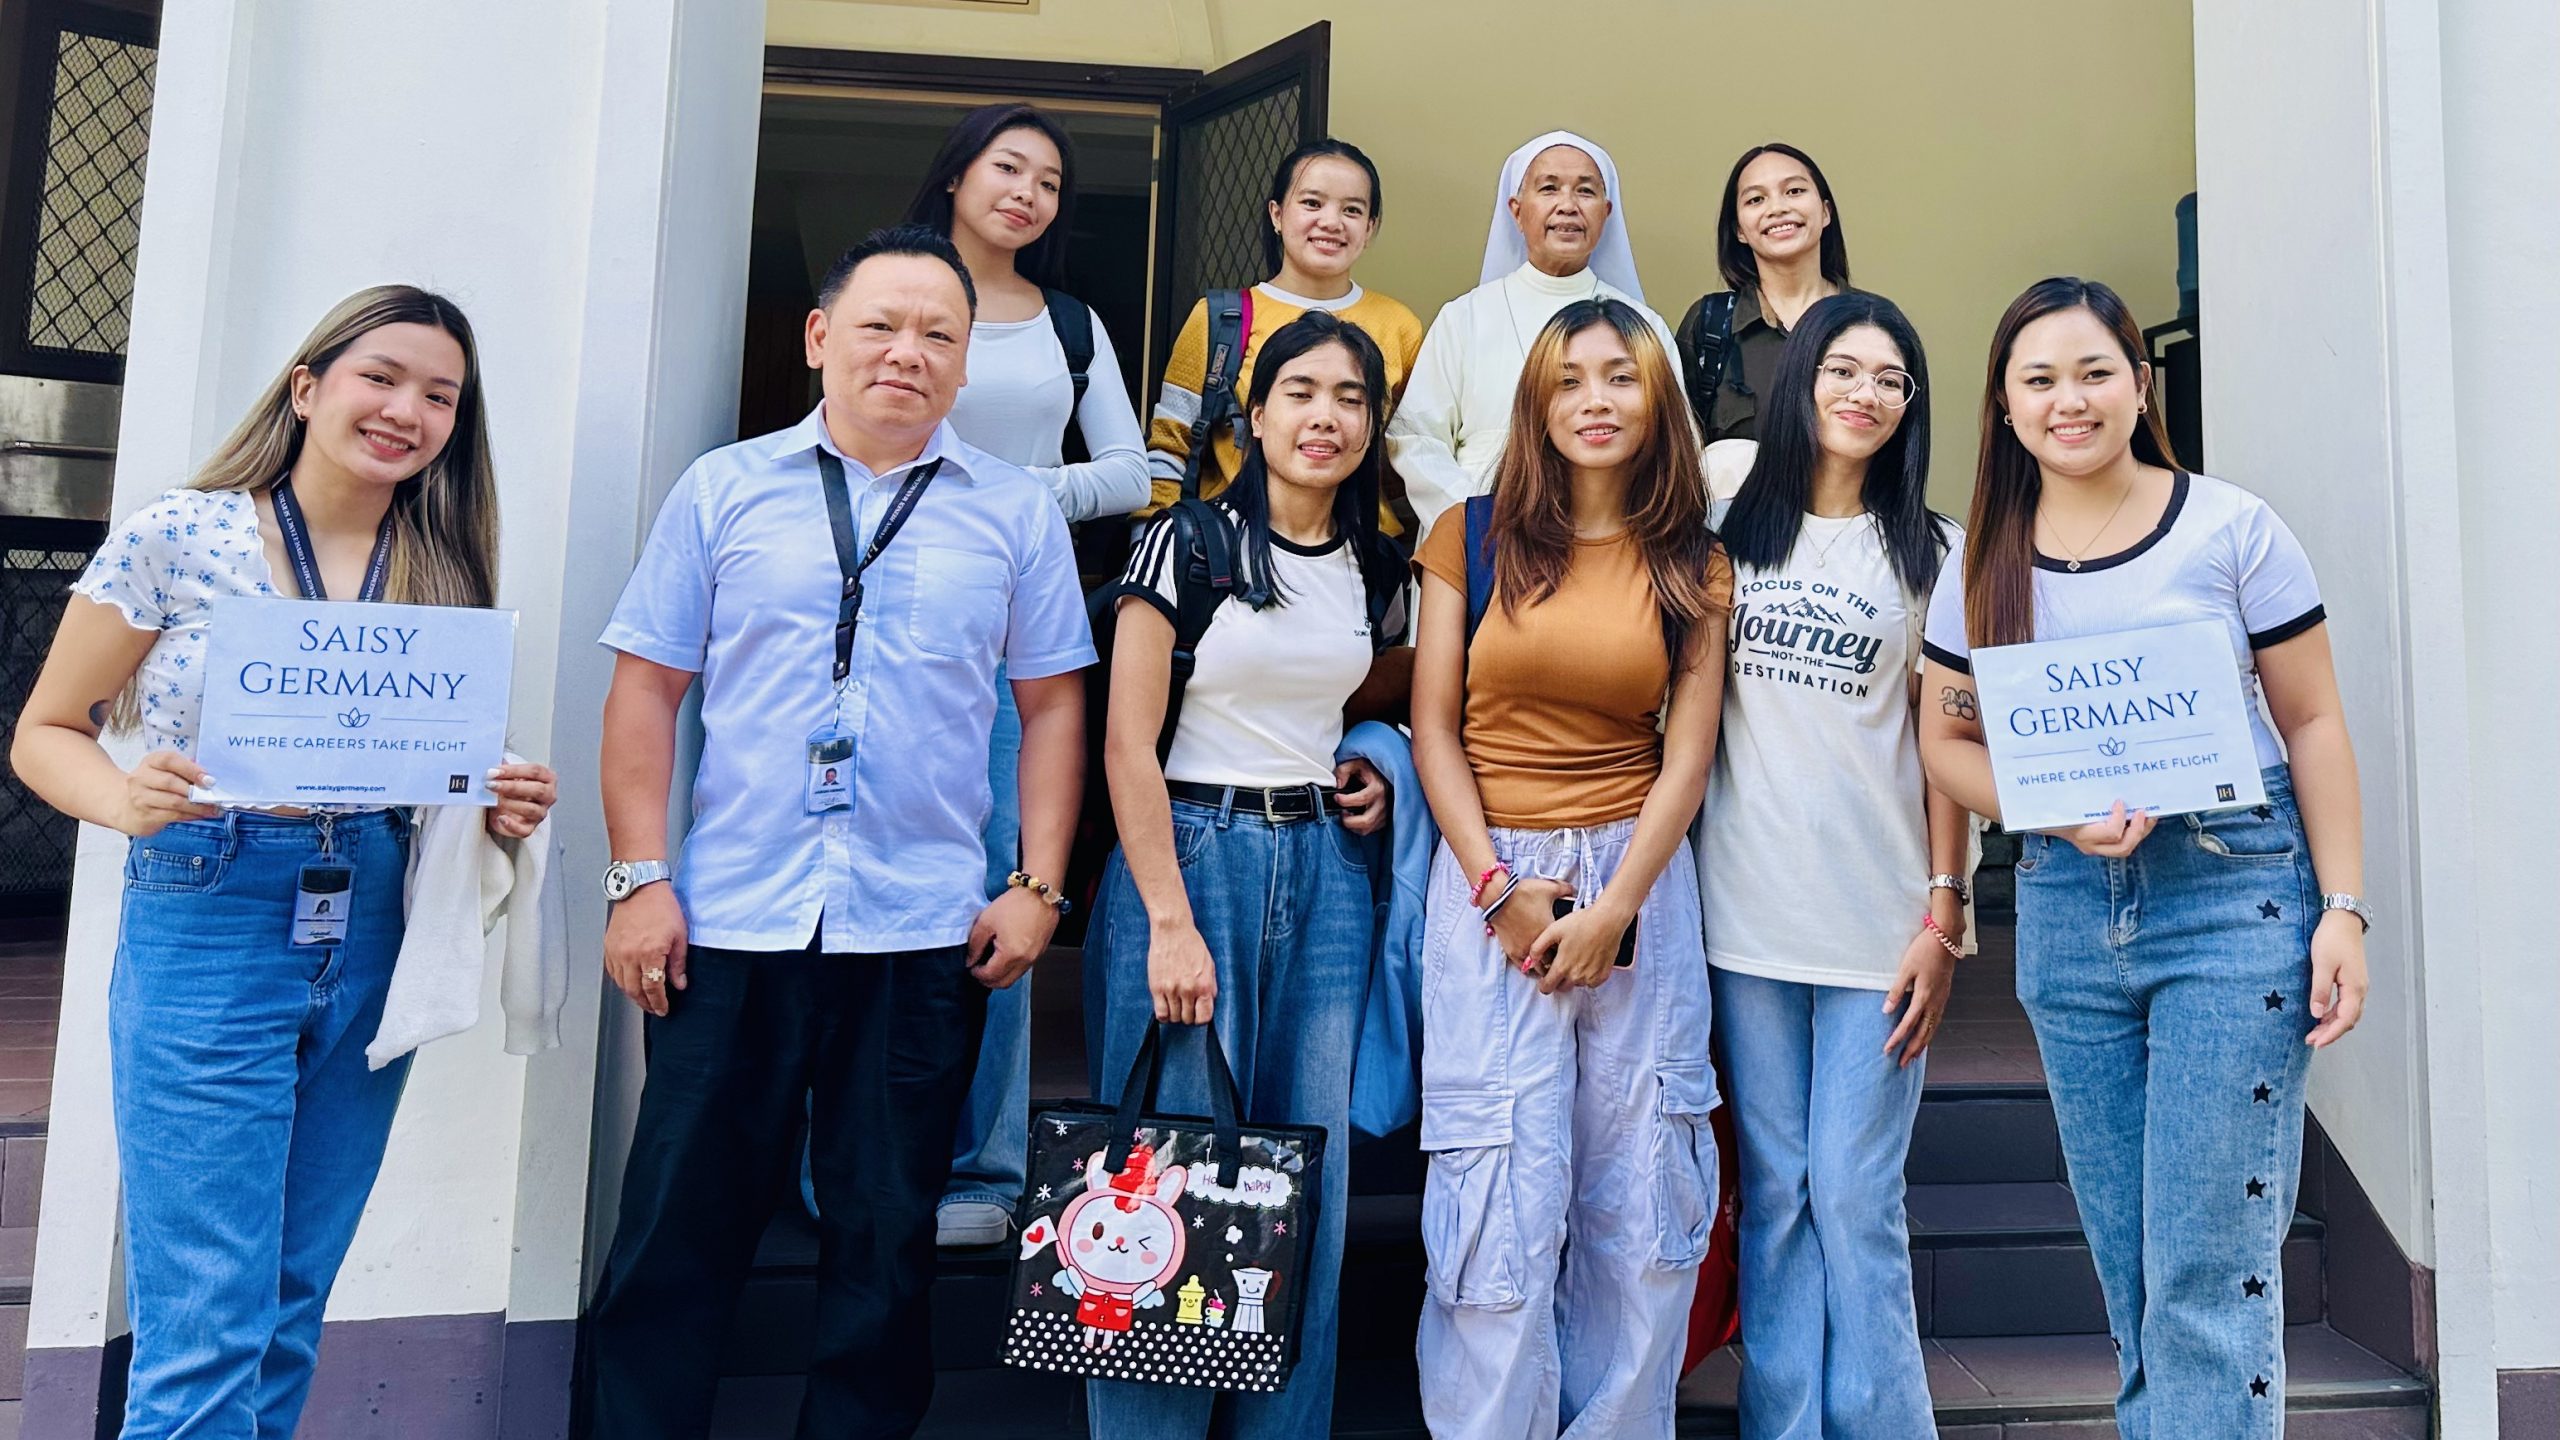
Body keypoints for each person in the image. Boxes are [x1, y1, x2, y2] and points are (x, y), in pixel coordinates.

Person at [7, 285, 559, 1439]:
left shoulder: (439, 561)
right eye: (381, 377)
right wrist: (125, 799)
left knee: (292, 1303)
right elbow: (47, 731)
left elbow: (426, 765)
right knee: (207, 1322)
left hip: (374, 908)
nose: (407, 410)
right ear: (308, 388)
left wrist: (499, 800)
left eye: (440, 395)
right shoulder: (182, 533)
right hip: (211, 896)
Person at [580, 223, 1095, 1437]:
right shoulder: (724, 490)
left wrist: (1037, 885)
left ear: (965, 364)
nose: (907, 353)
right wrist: (638, 880)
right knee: (675, 1235)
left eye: (938, 335)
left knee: (884, 1250)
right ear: (820, 338)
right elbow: (646, 690)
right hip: (729, 924)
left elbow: (1053, 708)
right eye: (880, 325)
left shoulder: (1014, 512)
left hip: (920, 930)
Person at [1918, 277, 2370, 1438]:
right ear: (2004, 405)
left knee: (2205, 1269)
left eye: (2092, 373)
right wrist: (2051, 812)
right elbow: (1944, 744)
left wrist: (2342, 907)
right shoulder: (1979, 562)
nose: (2067, 400)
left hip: (2232, 892)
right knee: (2130, 1272)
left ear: (2138, 384)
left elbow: (2312, 720)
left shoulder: (2232, 530)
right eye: (2038, 380)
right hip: (2068, 908)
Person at [1408, 298, 1732, 1438]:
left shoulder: (1694, 560)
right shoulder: (1470, 534)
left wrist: (1615, 908)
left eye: (1622, 378)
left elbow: (1687, 756)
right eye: (1570, 380)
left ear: (1658, 402)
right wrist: (1497, 891)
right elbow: (1433, 728)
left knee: (1643, 1187)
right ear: (1537, 403)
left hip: (1639, 877)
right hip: (1489, 871)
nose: (1596, 401)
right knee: (1495, 1186)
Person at [1084, 310, 1406, 1436]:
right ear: (1254, 415)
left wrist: (1375, 764)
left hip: (1323, 868)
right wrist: (1169, 923)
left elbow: (1367, 700)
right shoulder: (1186, 543)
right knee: (1162, 1174)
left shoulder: (1375, 567)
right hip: (1192, 856)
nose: (1327, 417)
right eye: (1301, 392)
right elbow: (1126, 745)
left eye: (1352, 399)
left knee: (1300, 1181)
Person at [1696, 292, 1962, 1438]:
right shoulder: (1724, 519)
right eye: (1843, 369)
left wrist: (1944, 915)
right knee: (1776, 1192)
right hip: (1741, 916)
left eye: (1890, 379)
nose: (1865, 393)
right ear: (1799, 377)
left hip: (1877, 923)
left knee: (1855, 1196)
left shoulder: (1934, 553)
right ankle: (1784, 1423)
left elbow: (1948, 752)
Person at [901, 100, 1149, 1249]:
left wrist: (1007, 493)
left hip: (1012, 638)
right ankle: (845, 1160)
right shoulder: (898, 292)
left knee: (1006, 891)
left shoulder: (1069, 324)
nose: (1027, 194)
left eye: (1048, 182)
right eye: (1008, 168)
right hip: (889, 627)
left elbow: (1133, 475)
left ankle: (986, 1169)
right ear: (957, 174)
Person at [1388, 130, 1679, 541]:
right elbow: (1416, 437)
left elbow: (1673, 438)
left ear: (1606, 211)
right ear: (1517, 210)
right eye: (1549, 188)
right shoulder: (1464, 317)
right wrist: (1476, 516)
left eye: (1585, 191)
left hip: (1608, 532)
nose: (1568, 205)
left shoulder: (1643, 326)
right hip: (1477, 530)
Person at [1145, 138, 1424, 535]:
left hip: (1362, 550)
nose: (1331, 222)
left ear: (1369, 227)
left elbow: (1408, 458)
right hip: (1232, 546)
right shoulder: (1219, 318)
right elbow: (1170, 446)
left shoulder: (1399, 326)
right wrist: (1152, 541)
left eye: (1352, 210)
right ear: (1276, 214)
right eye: (1312, 203)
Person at [1678, 143, 1852, 453]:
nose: (1777, 208)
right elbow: (1679, 450)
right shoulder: (1711, 324)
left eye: (1794, 191)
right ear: (1739, 230)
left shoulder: (1870, 321)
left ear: (1825, 212)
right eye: (1756, 199)